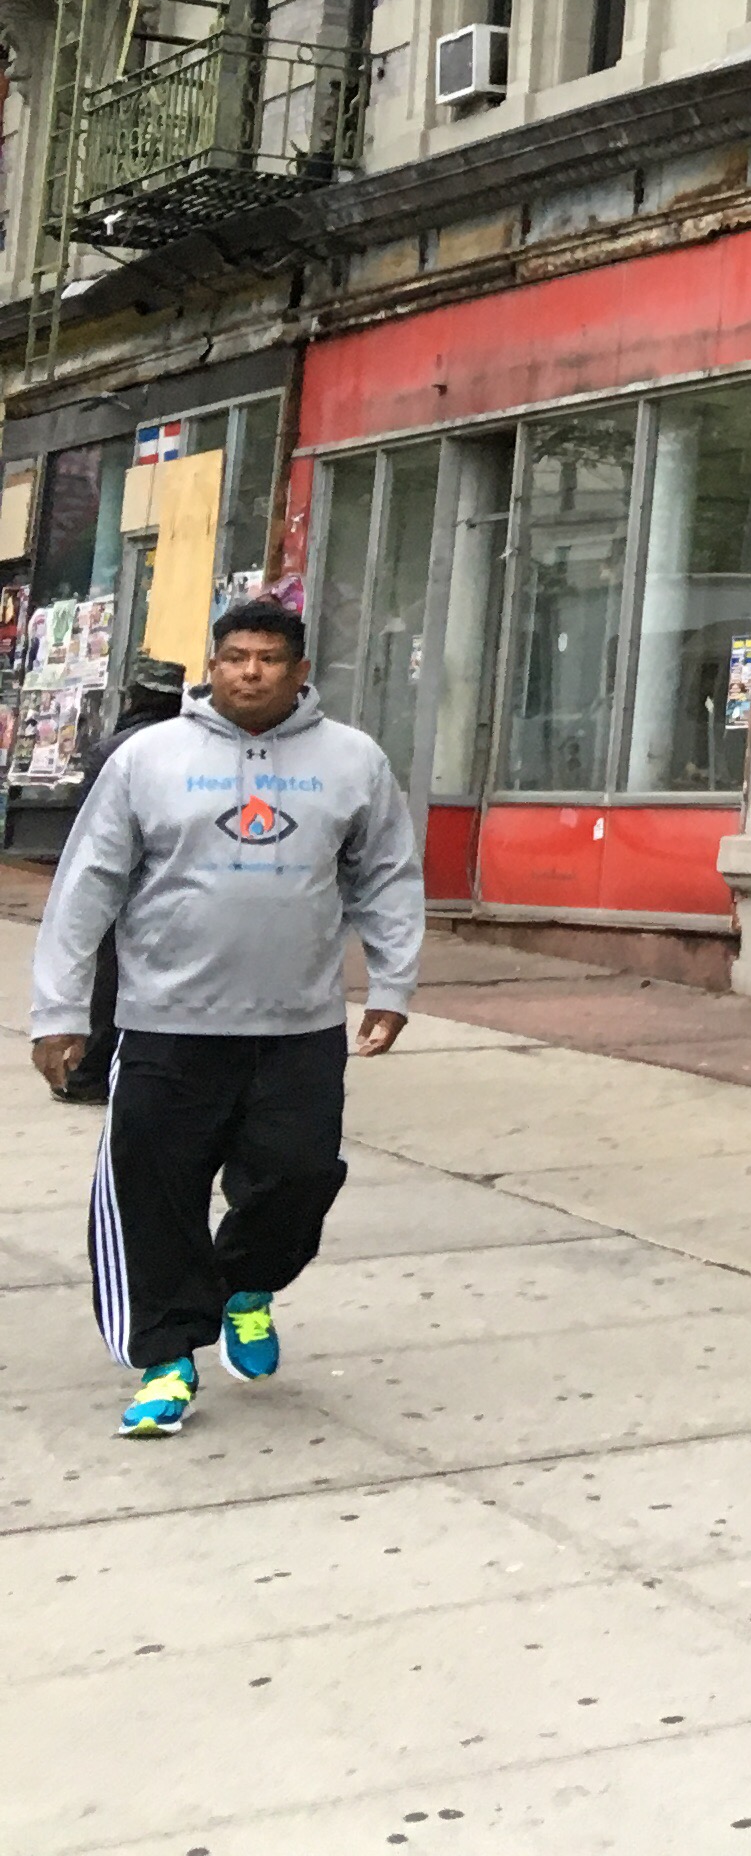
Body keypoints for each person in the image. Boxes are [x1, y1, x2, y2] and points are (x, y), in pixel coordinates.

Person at [26, 599, 419, 1439]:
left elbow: (386, 875)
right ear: (213, 665)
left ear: (299, 671)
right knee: (155, 1196)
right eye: (236, 656)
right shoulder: (148, 759)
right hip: (167, 1026)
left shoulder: (353, 760)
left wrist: (393, 985)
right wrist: (58, 1009)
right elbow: (86, 885)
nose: (250, 671)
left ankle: (245, 1285)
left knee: (299, 1177)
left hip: (299, 1027)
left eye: (269, 659)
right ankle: (167, 1359)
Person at [50, 658, 191, 1106]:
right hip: (179, 883)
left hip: (127, 882)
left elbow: (91, 826)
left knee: (109, 978)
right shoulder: (196, 746)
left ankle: (93, 1073)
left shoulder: (117, 750)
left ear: (135, 698)